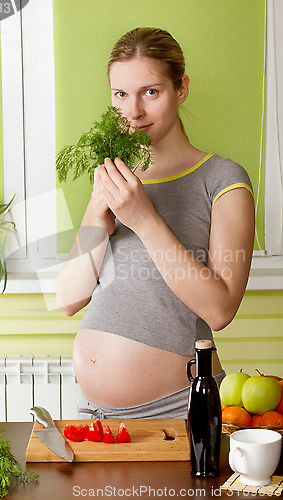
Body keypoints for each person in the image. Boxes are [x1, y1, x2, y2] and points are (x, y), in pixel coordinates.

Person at [56, 27, 255, 419]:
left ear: (181, 88)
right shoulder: (116, 177)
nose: (133, 112)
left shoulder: (222, 180)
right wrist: (98, 216)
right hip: (94, 414)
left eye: (151, 92)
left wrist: (144, 219)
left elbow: (220, 310)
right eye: (120, 94)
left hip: (178, 410)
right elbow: (68, 299)